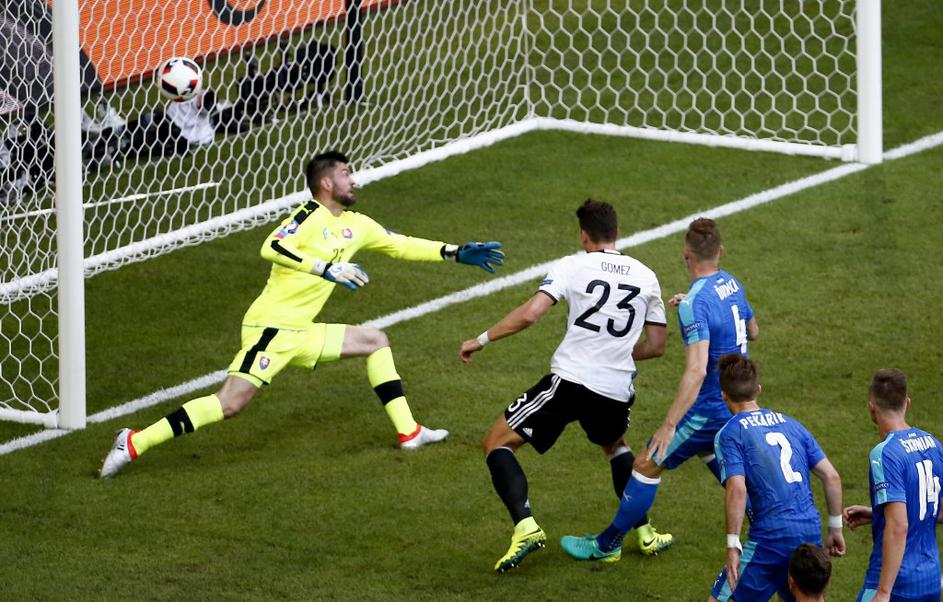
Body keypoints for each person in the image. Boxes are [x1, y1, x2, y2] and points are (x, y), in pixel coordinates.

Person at [100, 150, 505, 478]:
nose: (354, 180)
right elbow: (271, 246)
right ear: (326, 183)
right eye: (346, 174)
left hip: (299, 330)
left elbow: (401, 244)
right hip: (272, 328)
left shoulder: (357, 225)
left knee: (375, 340)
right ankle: (134, 441)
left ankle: (409, 432)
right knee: (230, 403)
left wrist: (454, 252)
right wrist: (324, 268)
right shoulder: (307, 217)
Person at [460, 199, 673, 572]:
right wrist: (615, 353)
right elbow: (657, 346)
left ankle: (526, 527)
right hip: (616, 389)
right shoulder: (647, 276)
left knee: (496, 442)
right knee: (615, 446)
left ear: (583, 235)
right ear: (617, 232)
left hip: (571, 381)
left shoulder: (572, 265)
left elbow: (531, 314)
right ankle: (645, 532)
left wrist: (481, 339)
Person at [561, 217, 758, 562]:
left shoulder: (695, 304)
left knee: (645, 464)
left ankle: (607, 545)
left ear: (686, 255)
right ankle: (764, 518)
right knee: (713, 453)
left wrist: (669, 425)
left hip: (708, 408)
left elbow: (696, 371)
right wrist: (696, 305)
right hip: (735, 401)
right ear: (721, 251)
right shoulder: (732, 284)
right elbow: (752, 331)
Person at [705, 355, 845, 601]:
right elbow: (831, 476)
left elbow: (737, 489)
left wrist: (733, 544)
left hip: (770, 537)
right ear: (758, 390)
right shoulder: (793, 425)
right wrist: (835, 526)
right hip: (809, 532)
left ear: (724, 395)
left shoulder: (730, 433)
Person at [843, 369, 943, 602]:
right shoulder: (933, 444)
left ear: (872, 408)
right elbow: (933, 508)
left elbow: (899, 526)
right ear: (907, 403)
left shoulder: (885, 454)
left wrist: (883, 592)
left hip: (897, 583)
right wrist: (877, 514)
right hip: (930, 580)